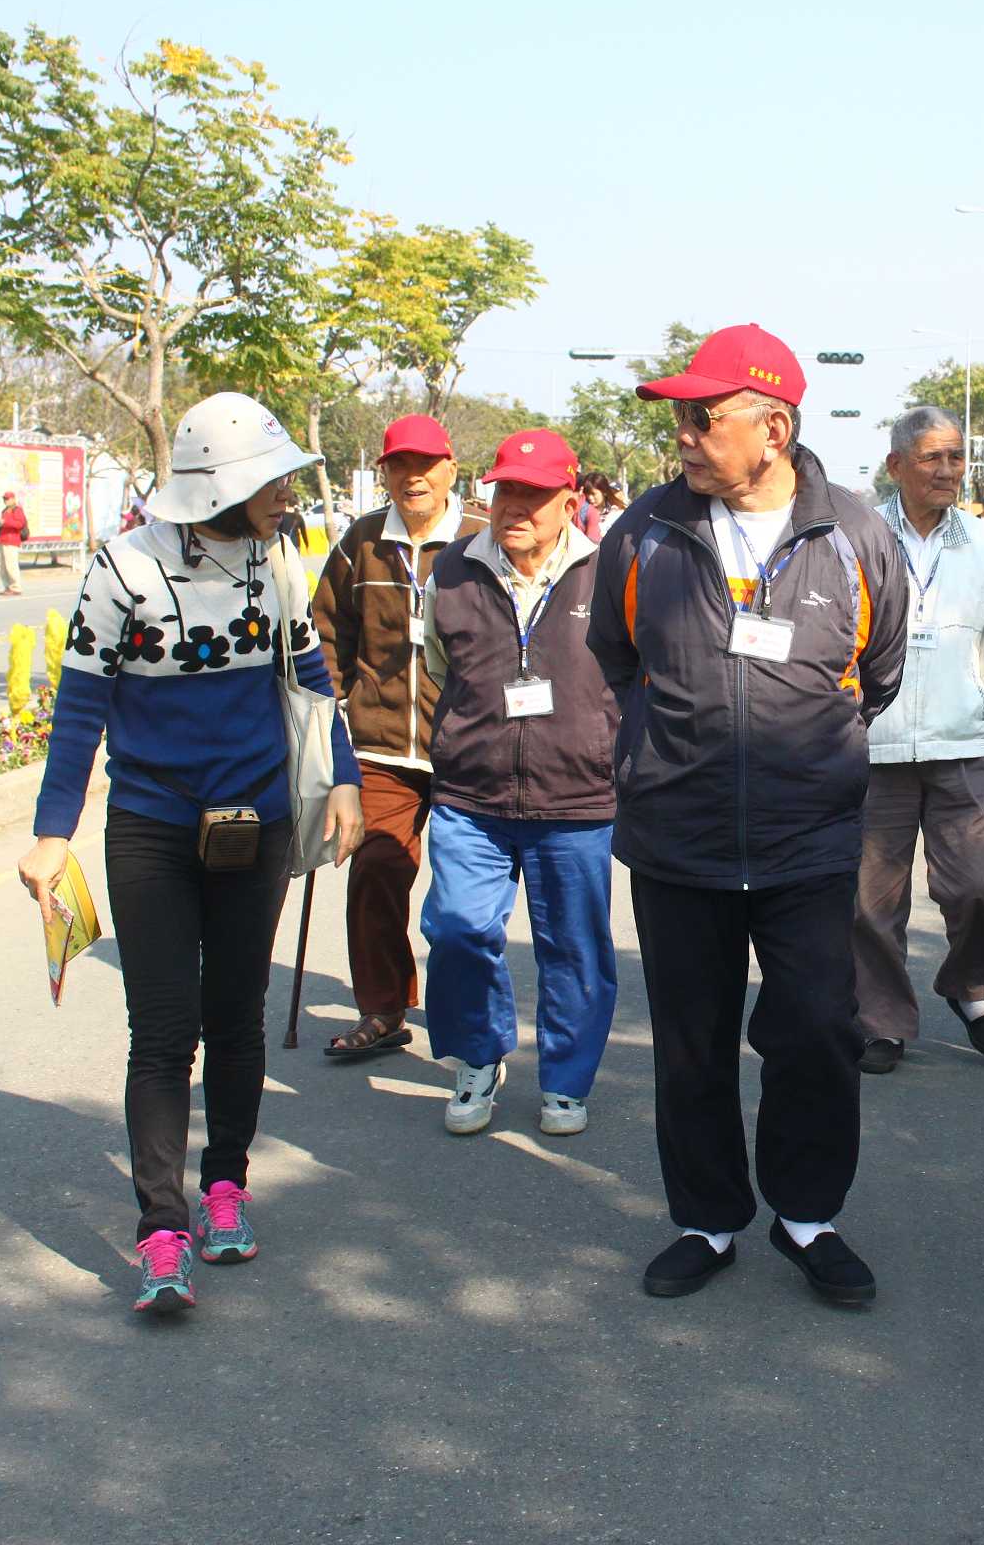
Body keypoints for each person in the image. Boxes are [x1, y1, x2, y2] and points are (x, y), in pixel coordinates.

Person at [18, 391, 366, 1315]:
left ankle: (226, 1187)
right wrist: (53, 836)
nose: (289, 494)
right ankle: (161, 1230)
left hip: (252, 829)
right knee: (165, 1029)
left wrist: (342, 782)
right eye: (275, 481)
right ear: (227, 487)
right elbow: (81, 709)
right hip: (150, 829)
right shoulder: (121, 571)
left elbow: (313, 683)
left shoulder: (279, 565)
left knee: (238, 1015)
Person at [586, 323, 907, 1306]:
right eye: (681, 416)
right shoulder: (644, 532)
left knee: (817, 1028)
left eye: (702, 416)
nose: (683, 434)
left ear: (773, 427)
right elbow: (615, 659)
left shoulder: (852, 533)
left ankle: (808, 1218)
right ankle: (707, 1219)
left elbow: (878, 675)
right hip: (677, 840)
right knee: (691, 1043)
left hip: (806, 839)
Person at [419, 430, 621, 1137]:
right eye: (506, 491)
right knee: (457, 929)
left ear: (570, 500)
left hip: (577, 795)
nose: (516, 508)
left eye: (534, 496)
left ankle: (566, 1082)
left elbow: (636, 675)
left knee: (574, 949)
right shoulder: (451, 571)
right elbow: (439, 668)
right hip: (471, 797)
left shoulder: (611, 571)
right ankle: (478, 1056)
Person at [852, 405, 984, 1073]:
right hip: (876, 746)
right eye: (932, 457)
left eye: (955, 457)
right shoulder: (859, 535)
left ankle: (970, 989)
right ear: (896, 465)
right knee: (871, 902)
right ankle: (882, 1021)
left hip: (965, 746)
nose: (948, 470)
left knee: (979, 887)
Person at [311, 414, 486, 1060]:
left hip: (466, 744)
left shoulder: (480, 540)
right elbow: (327, 636)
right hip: (381, 745)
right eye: (398, 466)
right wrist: (326, 721)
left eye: (425, 465)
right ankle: (383, 1010)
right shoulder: (361, 542)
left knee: (463, 900)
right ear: (383, 473)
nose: (413, 478)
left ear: (449, 469)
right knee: (377, 873)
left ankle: (467, 1025)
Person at [0, 490, 29, 596]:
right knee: (2, 566)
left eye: (7, 498)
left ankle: (15, 587)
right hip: (2, 540)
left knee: (11, 565)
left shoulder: (17, 510)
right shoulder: (4, 511)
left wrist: (5, 522)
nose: (5, 500)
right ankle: (7, 586)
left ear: (13, 499)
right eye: (4, 498)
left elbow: (20, 524)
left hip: (12, 541)